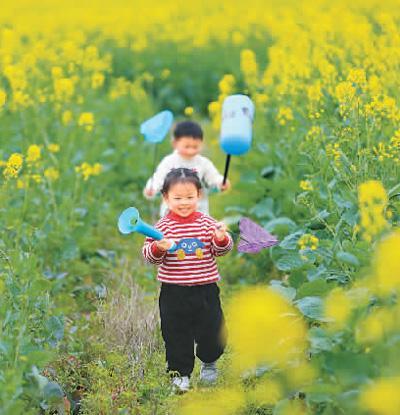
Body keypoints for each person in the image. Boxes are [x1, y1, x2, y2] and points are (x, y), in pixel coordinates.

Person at [142, 168, 233, 392]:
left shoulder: (207, 223)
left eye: (190, 197)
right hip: (174, 292)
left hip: (206, 290)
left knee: (213, 331)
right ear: (166, 198)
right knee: (175, 334)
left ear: (199, 195)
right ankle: (180, 374)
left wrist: (221, 239)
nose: (184, 203)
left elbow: (222, 250)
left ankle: (209, 363)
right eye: (178, 198)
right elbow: (148, 255)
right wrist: (157, 247)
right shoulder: (162, 228)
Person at [143, 120, 230, 216]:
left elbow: (213, 176)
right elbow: (158, 178)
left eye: (195, 146)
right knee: (171, 230)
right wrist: (152, 188)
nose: (191, 151)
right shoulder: (168, 161)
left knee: (198, 230)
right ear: (175, 143)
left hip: (198, 211)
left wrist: (221, 182)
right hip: (172, 211)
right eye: (187, 146)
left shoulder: (203, 163)